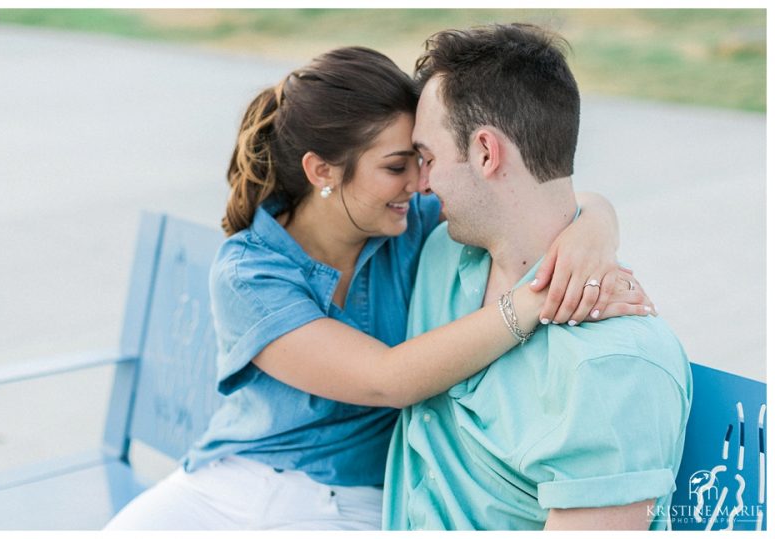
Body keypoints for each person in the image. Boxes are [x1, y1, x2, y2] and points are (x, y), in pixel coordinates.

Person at [105, 46, 652, 531]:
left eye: (421, 159)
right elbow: (386, 380)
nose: (420, 182)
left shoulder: (411, 222)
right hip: (230, 481)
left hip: (356, 503)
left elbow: (531, 198)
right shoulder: (249, 272)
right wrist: (537, 297)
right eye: (396, 166)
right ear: (322, 171)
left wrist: (596, 227)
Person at [382, 24, 692, 531]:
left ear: (486, 152)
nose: (419, 184)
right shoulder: (440, 254)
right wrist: (598, 216)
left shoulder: (615, 368)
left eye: (428, 158)